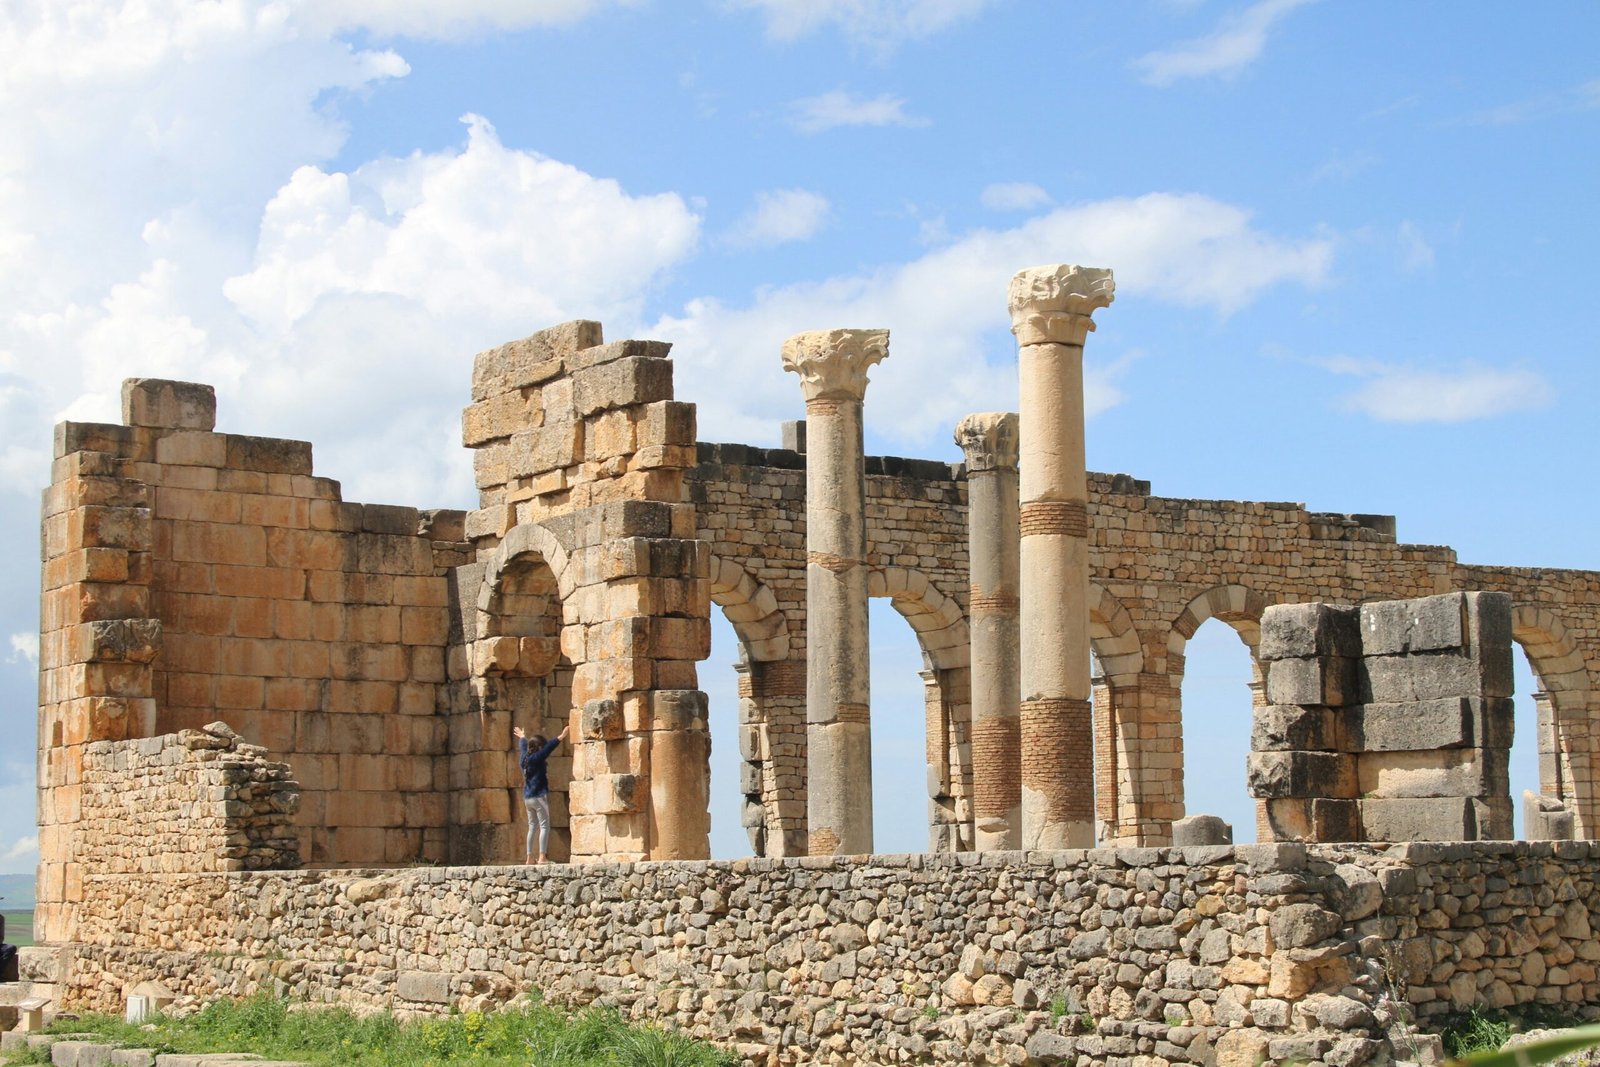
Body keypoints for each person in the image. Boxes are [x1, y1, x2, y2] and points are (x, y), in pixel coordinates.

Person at [513, 721, 569, 864]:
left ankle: (529, 857)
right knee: (544, 825)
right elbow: (547, 749)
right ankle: (542, 857)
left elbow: (523, 746)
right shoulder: (536, 758)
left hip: (527, 798)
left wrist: (522, 737)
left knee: (532, 827)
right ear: (538, 748)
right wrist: (561, 737)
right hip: (538, 797)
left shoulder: (524, 758)